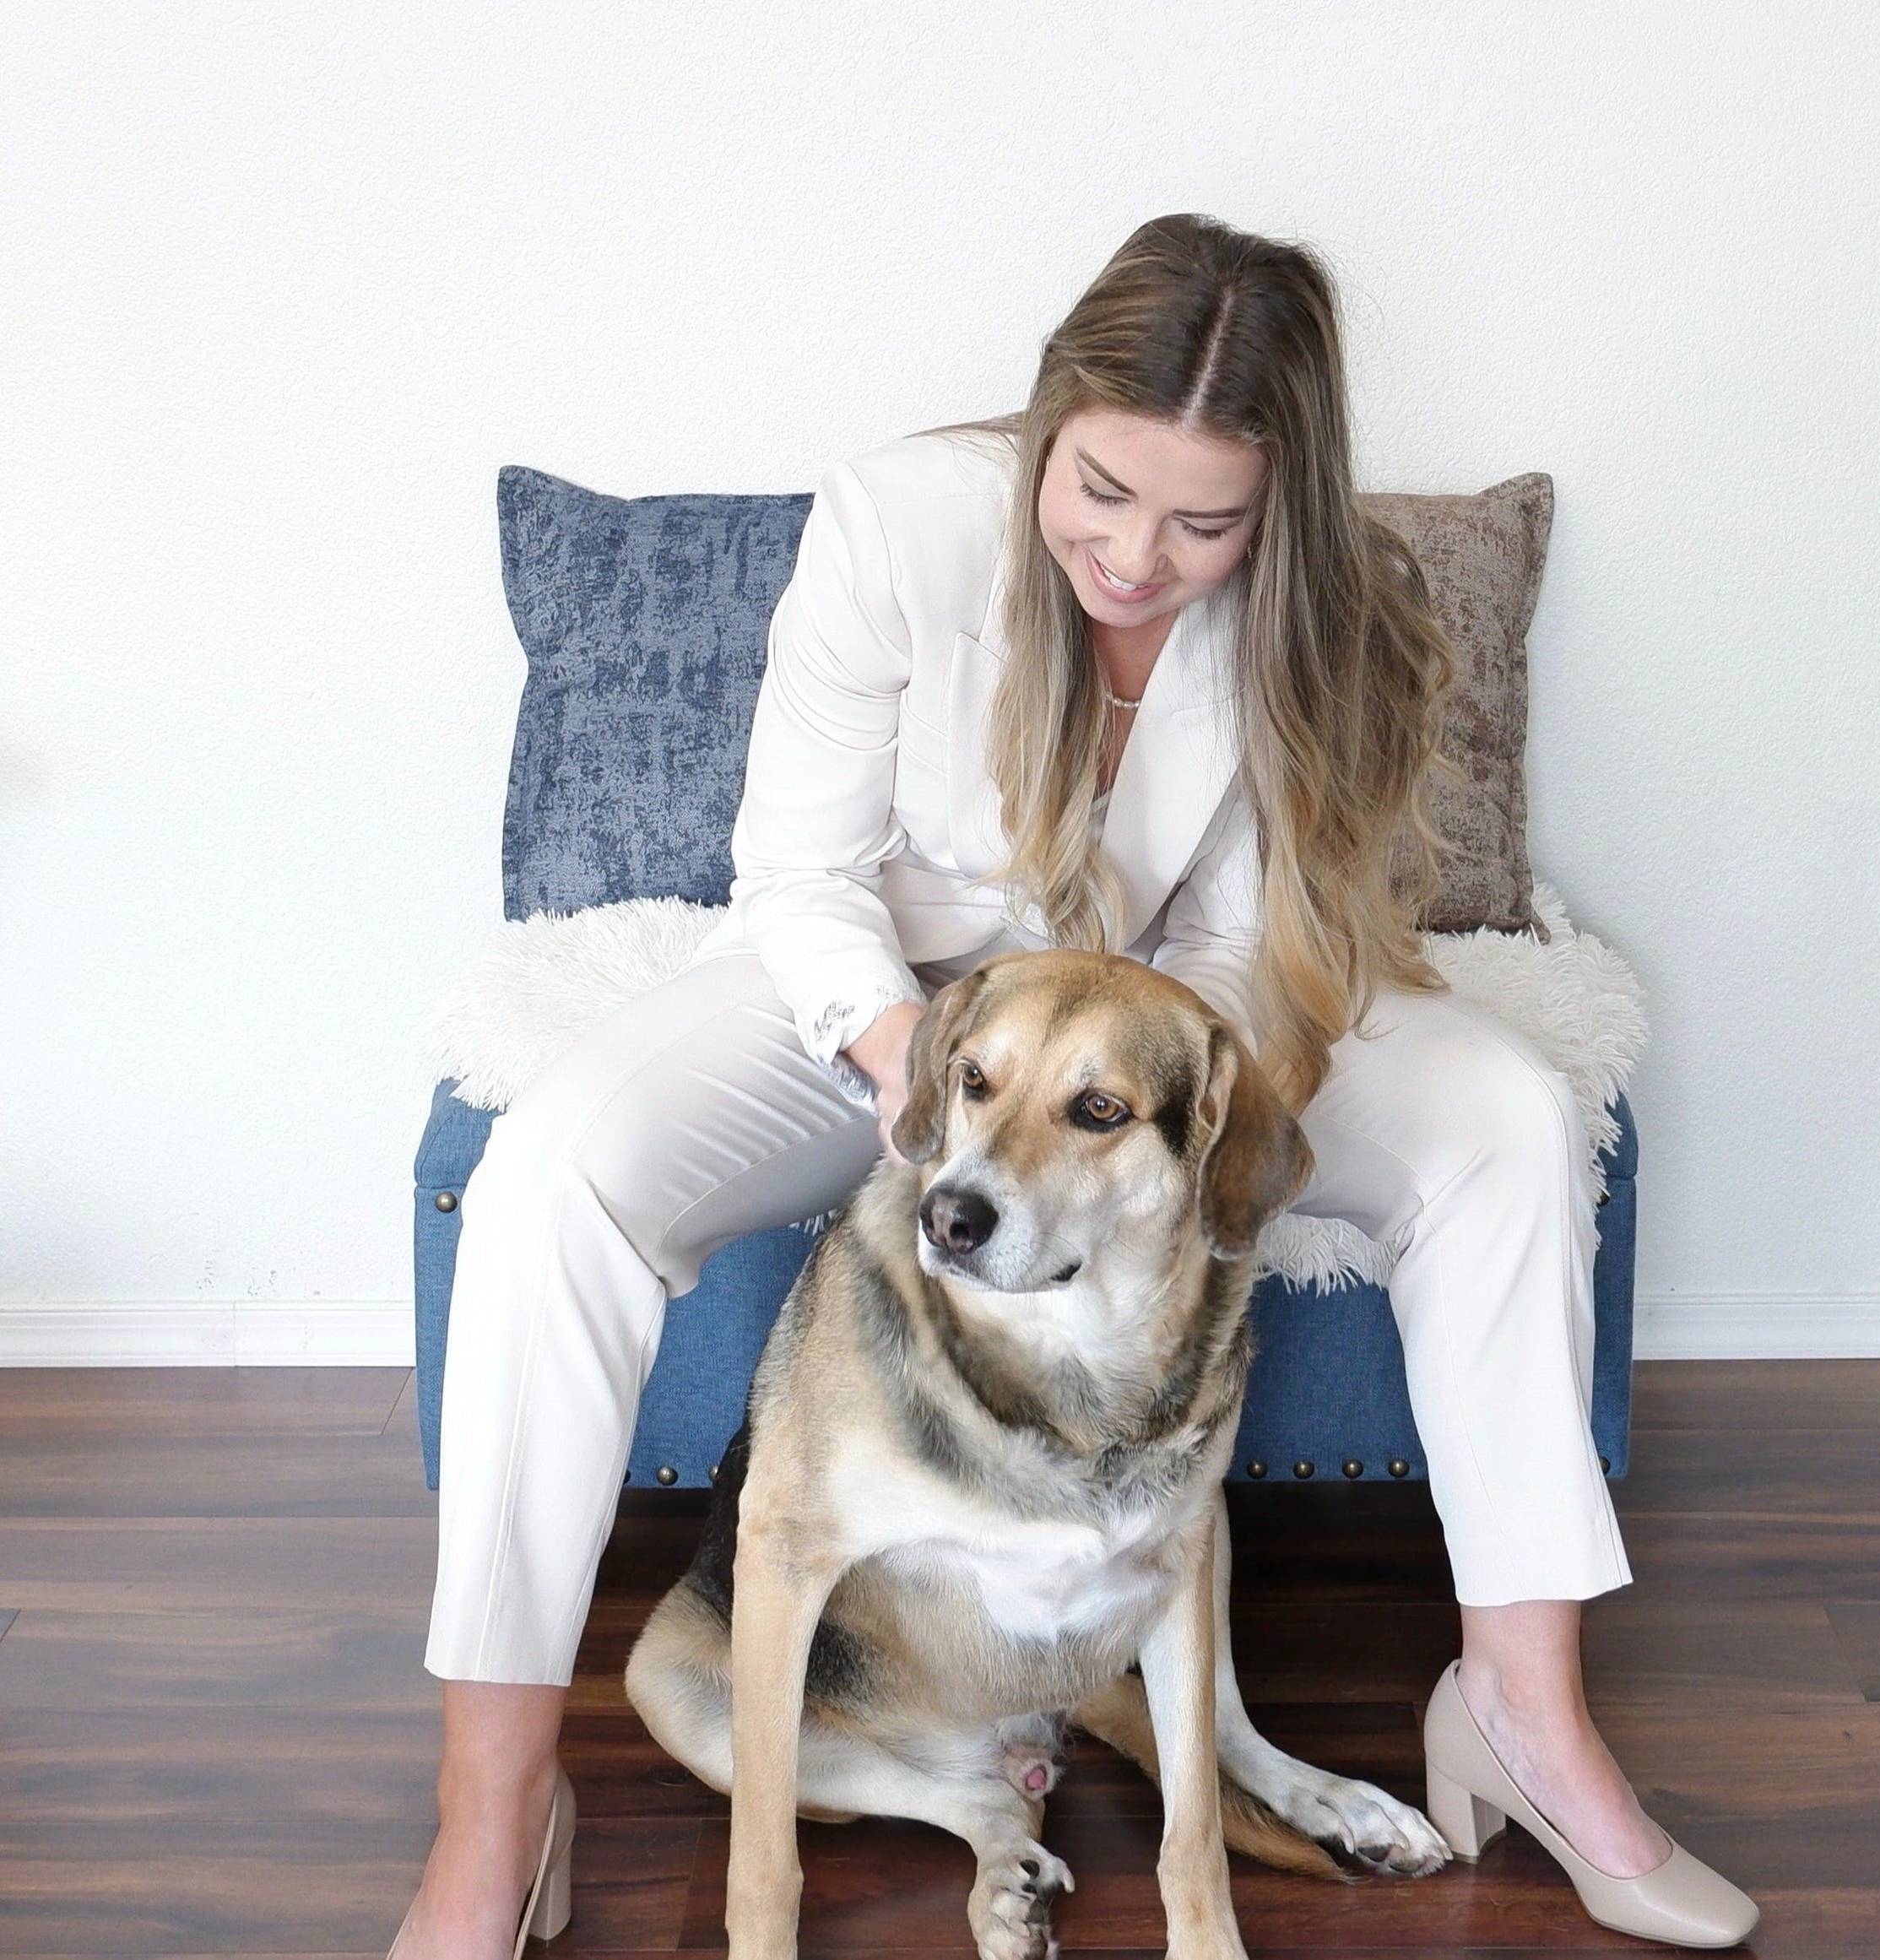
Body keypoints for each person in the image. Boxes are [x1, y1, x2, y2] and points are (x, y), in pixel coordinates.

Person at [389, 213, 1757, 1956]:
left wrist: (1127, 1114)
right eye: (1101, 490)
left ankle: (1523, 1711)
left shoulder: (1333, 613)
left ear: (1286, 504)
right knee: (556, 1165)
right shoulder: (899, 524)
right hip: (894, 1009)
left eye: (1206, 523)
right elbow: (798, 875)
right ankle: (496, 1802)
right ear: (1050, 422)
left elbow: (1255, 948)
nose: (1135, 554)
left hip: (1168, 1029)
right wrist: (925, 1076)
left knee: (1509, 1113)